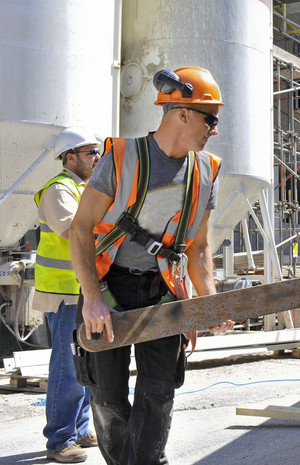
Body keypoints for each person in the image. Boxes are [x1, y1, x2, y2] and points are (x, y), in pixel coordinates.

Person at [69, 66, 234, 465]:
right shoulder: (121, 157)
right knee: (107, 396)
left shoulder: (206, 171)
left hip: (163, 292)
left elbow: (198, 247)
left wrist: (205, 302)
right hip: (110, 288)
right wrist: (92, 298)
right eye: (210, 119)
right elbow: (80, 229)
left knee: (158, 395)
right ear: (181, 113)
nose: (214, 129)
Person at [34, 126, 101, 463]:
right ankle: (60, 440)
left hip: (82, 292)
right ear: (70, 157)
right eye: (91, 153)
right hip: (64, 295)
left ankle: (80, 428)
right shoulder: (59, 190)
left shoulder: (84, 189)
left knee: (86, 362)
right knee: (67, 367)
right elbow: (72, 230)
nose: (97, 157)